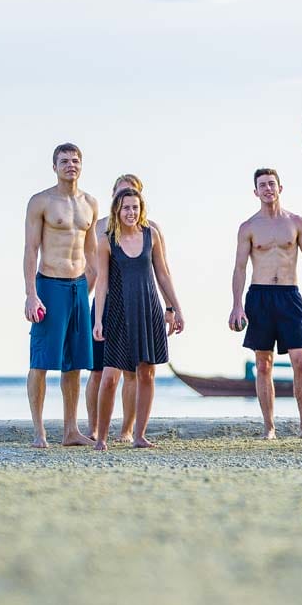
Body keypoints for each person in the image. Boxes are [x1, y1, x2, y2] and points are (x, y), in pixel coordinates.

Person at [229, 168, 302, 439]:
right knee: (263, 364)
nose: (268, 189)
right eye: (262, 185)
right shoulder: (248, 227)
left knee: (300, 361)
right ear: (255, 192)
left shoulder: (296, 222)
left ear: (280, 188)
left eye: (272, 184)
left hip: (290, 295)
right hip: (259, 296)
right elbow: (239, 268)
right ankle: (269, 427)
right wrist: (237, 304)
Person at [92, 188, 184, 449]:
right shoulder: (107, 241)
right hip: (119, 312)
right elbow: (101, 284)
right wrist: (98, 320)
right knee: (110, 378)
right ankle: (101, 438)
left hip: (149, 310)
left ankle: (140, 435)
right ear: (116, 211)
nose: (130, 212)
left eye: (135, 207)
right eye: (125, 208)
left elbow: (163, 275)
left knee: (147, 374)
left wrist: (175, 308)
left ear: (141, 209)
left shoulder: (150, 235)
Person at [24, 143, 99, 448]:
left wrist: (92, 288)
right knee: (41, 361)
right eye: (64, 161)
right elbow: (30, 250)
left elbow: (92, 250)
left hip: (78, 286)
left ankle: (71, 430)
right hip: (49, 285)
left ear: (81, 165)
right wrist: (31, 294)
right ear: (53, 166)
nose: (71, 165)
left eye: (75, 160)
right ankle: (39, 431)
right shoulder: (41, 201)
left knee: (75, 362)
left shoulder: (90, 203)